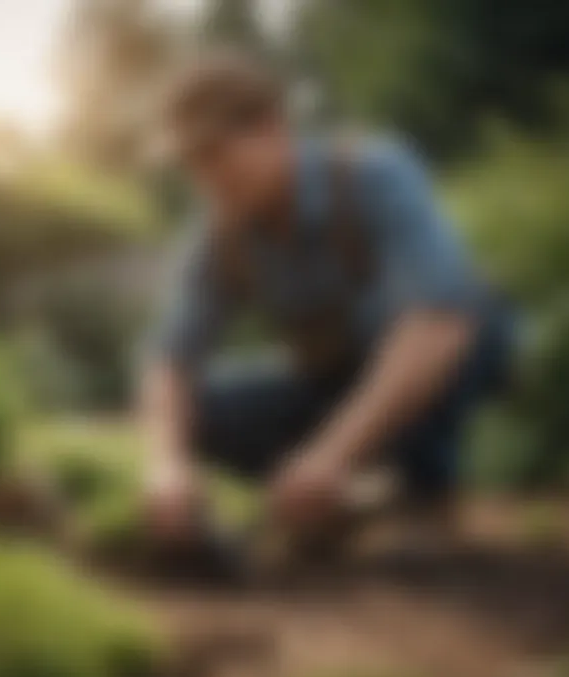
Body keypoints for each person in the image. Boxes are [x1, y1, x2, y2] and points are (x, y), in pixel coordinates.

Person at [140, 49, 513, 557]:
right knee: (200, 414)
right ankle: (346, 500)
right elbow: (171, 363)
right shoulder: (219, 235)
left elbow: (441, 321)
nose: (207, 178)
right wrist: (167, 468)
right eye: (192, 164)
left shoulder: (376, 173)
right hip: (332, 381)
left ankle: (421, 492)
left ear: (271, 127)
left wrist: (332, 454)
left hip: (421, 364)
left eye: (216, 154)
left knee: (474, 322)